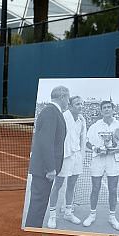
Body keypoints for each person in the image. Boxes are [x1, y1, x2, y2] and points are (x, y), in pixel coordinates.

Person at [83, 101, 119, 231]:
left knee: (113, 189)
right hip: (98, 159)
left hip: (113, 160)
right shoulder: (95, 126)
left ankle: (112, 217)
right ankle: (92, 214)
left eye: (108, 107)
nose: (106, 109)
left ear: (113, 109)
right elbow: (87, 143)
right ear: (101, 111)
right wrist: (95, 148)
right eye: (104, 108)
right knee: (95, 188)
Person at [24, 85, 69, 228]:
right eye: (67, 98)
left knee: (40, 204)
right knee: (38, 204)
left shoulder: (52, 111)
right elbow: (46, 142)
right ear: (62, 97)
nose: (68, 101)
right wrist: (50, 168)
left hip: (44, 169)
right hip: (44, 170)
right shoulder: (51, 112)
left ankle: (33, 228)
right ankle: (32, 231)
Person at [46, 95, 86, 228]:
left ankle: (68, 212)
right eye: (77, 104)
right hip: (64, 157)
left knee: (71, 185)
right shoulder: (63, 117)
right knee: (57, 185)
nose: (80, 106)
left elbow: (81, 139)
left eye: (81, 104)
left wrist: (81, 155)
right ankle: (52, 216)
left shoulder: (82, 119)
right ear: (70, 105)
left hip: (76, 157)